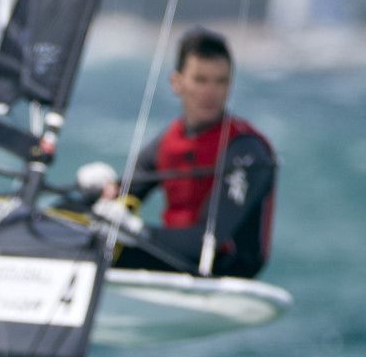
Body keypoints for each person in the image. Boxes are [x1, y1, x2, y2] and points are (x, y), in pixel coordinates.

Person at [81, 27, 276, 278]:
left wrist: (137, 231)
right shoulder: (168, 141)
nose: (210, 92)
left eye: (221, 81)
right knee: (84, 242)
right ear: (177, 82)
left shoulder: (246, 149)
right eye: (200, 80)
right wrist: (94, 190)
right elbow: (124, 194)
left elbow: (206, 241)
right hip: (172, 260)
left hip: (224, 268)